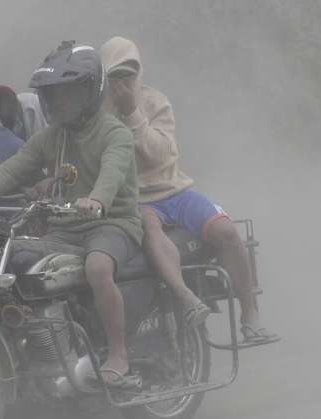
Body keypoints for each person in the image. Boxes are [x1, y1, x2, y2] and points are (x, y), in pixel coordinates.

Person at [0, 41, 141, 386]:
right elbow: (12, 170)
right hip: (64, 228)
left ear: (89, 91)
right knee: (12, 260)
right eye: (53, 94)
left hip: (112, 225)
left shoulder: (116, 133)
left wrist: (96, 199)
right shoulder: (51, 137)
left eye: (67, 93)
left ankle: (118, 353)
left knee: (98, 266)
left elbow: (112, 173)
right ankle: (38, 350)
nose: (58, 102)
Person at [100, 36, 276, 342]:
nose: (123, 83)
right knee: (151, 231)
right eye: (116, 76)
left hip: (176, 191)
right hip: (137, 200)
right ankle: (187, 299)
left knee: (228, 232)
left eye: (129, 74)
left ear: (139, 72)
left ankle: (250, 315)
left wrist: (132, 113)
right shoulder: (98, 114)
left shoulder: (156, 102)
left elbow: (163, 154)